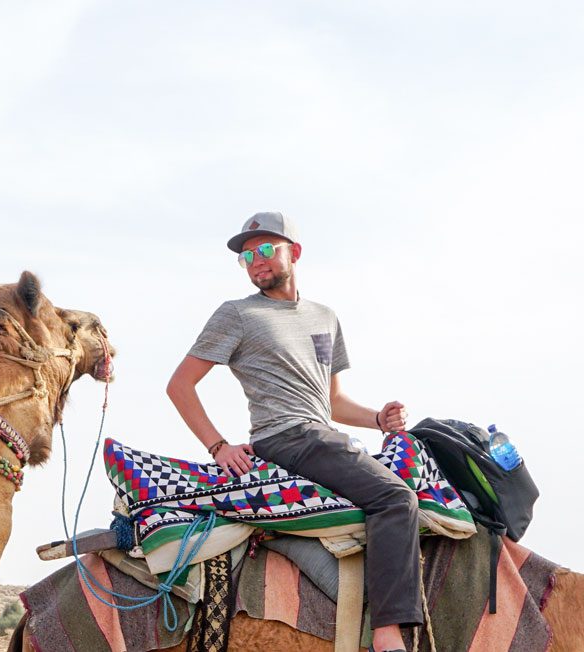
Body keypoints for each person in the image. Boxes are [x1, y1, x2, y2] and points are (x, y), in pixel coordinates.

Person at [165, 212, 417, 652]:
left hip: (321, 436)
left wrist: (379, 419)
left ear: (293, 253)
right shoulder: (237, 315)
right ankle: (388, 634)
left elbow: (333, 402)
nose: (255, 261)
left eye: (265, 249)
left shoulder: (325, 317)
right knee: (396, 498)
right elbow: (179, 385)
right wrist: (218, 445)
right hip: (287, 438)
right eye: (246, 255)